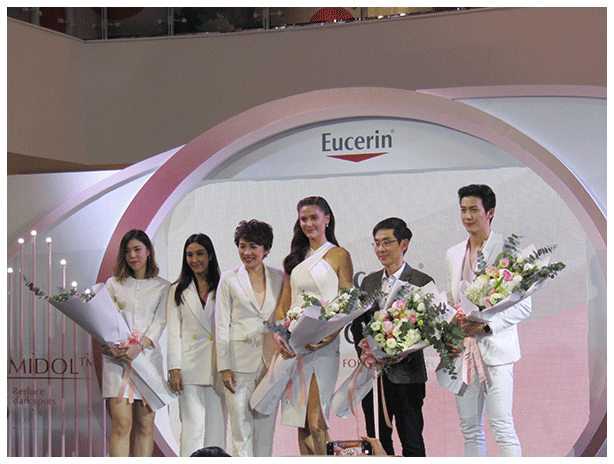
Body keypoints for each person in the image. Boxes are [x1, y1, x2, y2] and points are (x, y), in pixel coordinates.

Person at [442, 184, 531, 457]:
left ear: (490, 212)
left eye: (474, 210)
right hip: (464, 353)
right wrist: (449, 335)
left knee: (502, 427)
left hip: (497, 352)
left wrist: (486, 326)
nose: (467, 216)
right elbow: (451, 302)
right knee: (470, 429)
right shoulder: (453, 253)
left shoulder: (508, 250)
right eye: (463, 210)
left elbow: (524, 306)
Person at [276, 196, 353, 455]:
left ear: (327, 219)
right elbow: (284, 304)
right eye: (303, 219)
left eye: (314, 218)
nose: (308, 223)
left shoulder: (340, 255)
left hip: (324, 348)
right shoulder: (295, 259)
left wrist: (331, 332)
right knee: (302, 423)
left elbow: (348, 300)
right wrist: (280, 335)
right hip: (296, 346)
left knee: (317, 423)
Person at [350, 217, 433, 456]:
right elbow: (358, 325)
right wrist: (366, 354)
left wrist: (402, 351)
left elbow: (429, 328)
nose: (381, 249)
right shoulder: (369, 282)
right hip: (374, 377)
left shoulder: (421, 282)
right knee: (376, 443)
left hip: (408, 376)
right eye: (376, 243)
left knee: (412, 443)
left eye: (387, 242)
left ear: (403, 244)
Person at [215, 220, 284, 456]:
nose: (247, 252)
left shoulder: (280, 277)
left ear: (266, 249)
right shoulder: (229, 279)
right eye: (242, 246)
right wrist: (224, 366)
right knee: (240, 432)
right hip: (237, 364)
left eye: (253, 246)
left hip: (271, 364)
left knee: (266, 432)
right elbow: (221, 325)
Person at [101, 229, 170, 457]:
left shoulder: (163, 286)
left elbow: (160, 322)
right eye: (128, 251)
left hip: (147, 360)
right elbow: (105, 319)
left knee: (145, 426)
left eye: (137, 249)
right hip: (118, 360)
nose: (133, 255)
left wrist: (139, 346)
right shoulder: (113, 284)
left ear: (148, 252)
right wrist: (110, 344)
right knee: (122, 425)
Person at [167, 233, 228, 456]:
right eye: (189, 255)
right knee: (191, 430)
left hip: (217, 366)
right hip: (189, 367)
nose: (194, 260)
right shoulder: (177, 289)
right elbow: (173, 332)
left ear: (210, 255)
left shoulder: (224, 285)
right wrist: (174, 368)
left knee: (217, 430)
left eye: (200, 254)